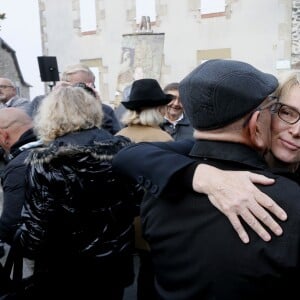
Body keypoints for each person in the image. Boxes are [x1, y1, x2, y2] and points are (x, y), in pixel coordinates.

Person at [114, 59, 300, 299]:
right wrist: (199, 174)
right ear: (261, 118)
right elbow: (127, 155)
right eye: (287, 112)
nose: (296, 129)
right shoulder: (194, 157)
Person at [16, 86, 141, 299]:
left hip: (64, 269)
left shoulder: (45, 161)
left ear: (50, 115)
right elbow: (137, 203)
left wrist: (22, 244)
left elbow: (37, 227)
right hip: (113, 265)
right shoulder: (123, 149)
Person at [115, 78, 173, 300]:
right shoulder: (164, 139)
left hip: (123, 221)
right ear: (158, 108)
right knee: (151, 274)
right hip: (154, 218)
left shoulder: (118, 137)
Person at [30, 63, 121, 134]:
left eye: (89, 86)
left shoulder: (105, 110)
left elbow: (112, 137)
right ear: (64, 85)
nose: (84, 91)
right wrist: (55, 99)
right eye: (79, 86)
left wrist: (98, 108)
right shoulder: (41, 103)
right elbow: (36, 132)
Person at [0, 108, 40, 246]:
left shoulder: (18, 166)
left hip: (45, 252)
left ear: (3, 135)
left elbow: (12, 224)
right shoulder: (57, 146)